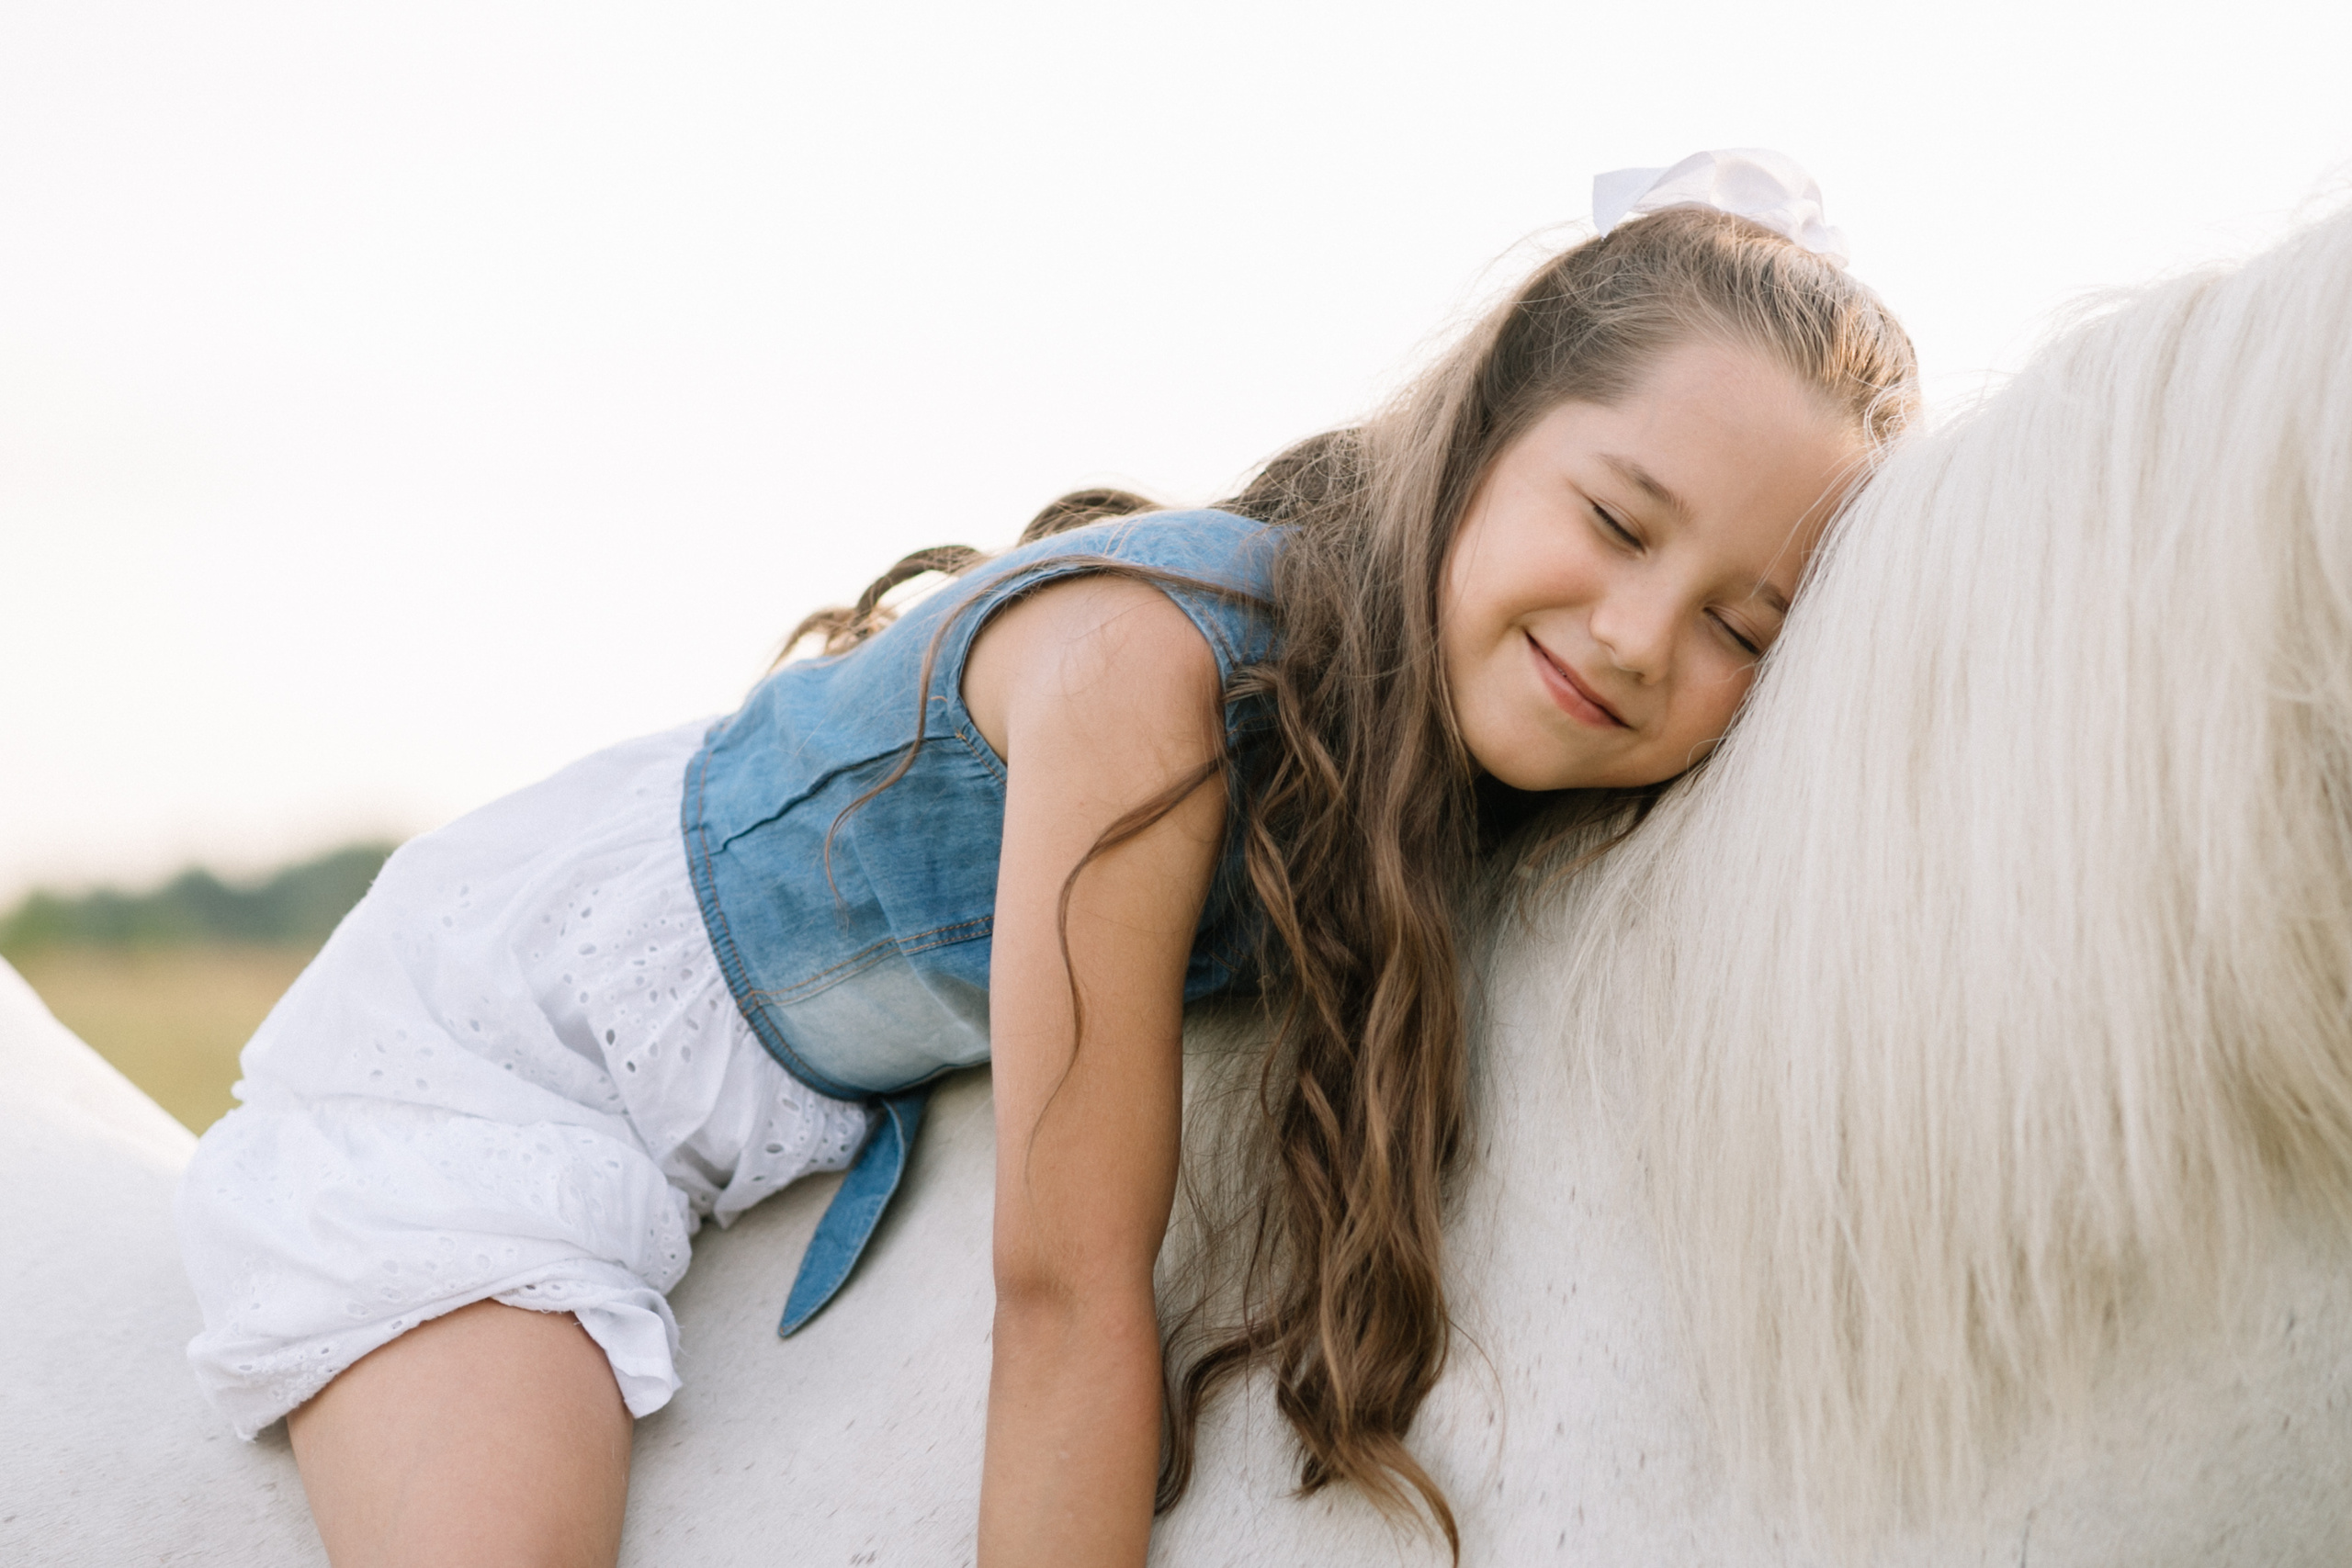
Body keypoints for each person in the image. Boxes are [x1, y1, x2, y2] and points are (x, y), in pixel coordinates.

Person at [175, 149, 1917, 1568]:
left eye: (1743, 626)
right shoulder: (1145, 677)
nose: (1633, 634)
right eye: (1616, 521)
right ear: (1474, 445)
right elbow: (1067, 1288)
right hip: (516, 1048)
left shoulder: (1452, 758)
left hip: (769, 1093)